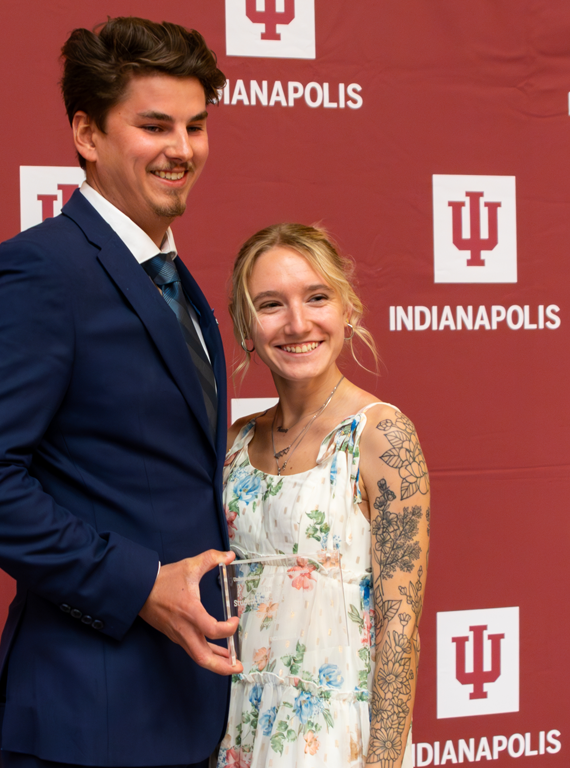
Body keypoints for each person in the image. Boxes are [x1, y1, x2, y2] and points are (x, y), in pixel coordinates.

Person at [0, 17, 241, 768]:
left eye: (196, 126)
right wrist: (139, 585)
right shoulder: (42, 271)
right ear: (87, 133)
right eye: (154, 125)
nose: (182, 149)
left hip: (183, 711)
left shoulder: (177, 281)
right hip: (88, 718)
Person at [218, 224, 430, 768]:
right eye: (270, 305)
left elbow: (400, 630)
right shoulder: (236, 441)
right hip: (241, 728)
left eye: (317, 297)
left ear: (347, 309)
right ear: (247, 327)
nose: (297, 323)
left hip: (338, 738)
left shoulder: (381, 435)